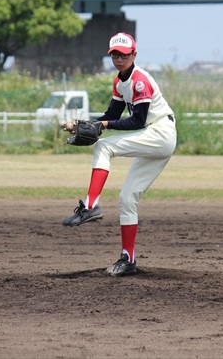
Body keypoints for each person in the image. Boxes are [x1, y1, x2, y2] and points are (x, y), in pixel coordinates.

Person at [62, 32, 177, 277]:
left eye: (124, 55)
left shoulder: (139, 81)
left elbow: (137, 121)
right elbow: (112, 115)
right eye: (115, 54)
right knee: (127, 199)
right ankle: (128, 259)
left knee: (104, 147)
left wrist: (103, 126)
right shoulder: (119, 82)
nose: (119, 59)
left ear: (134, 54)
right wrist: (83, 124)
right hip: (152, 136)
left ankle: (90, 206)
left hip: (160, 132)